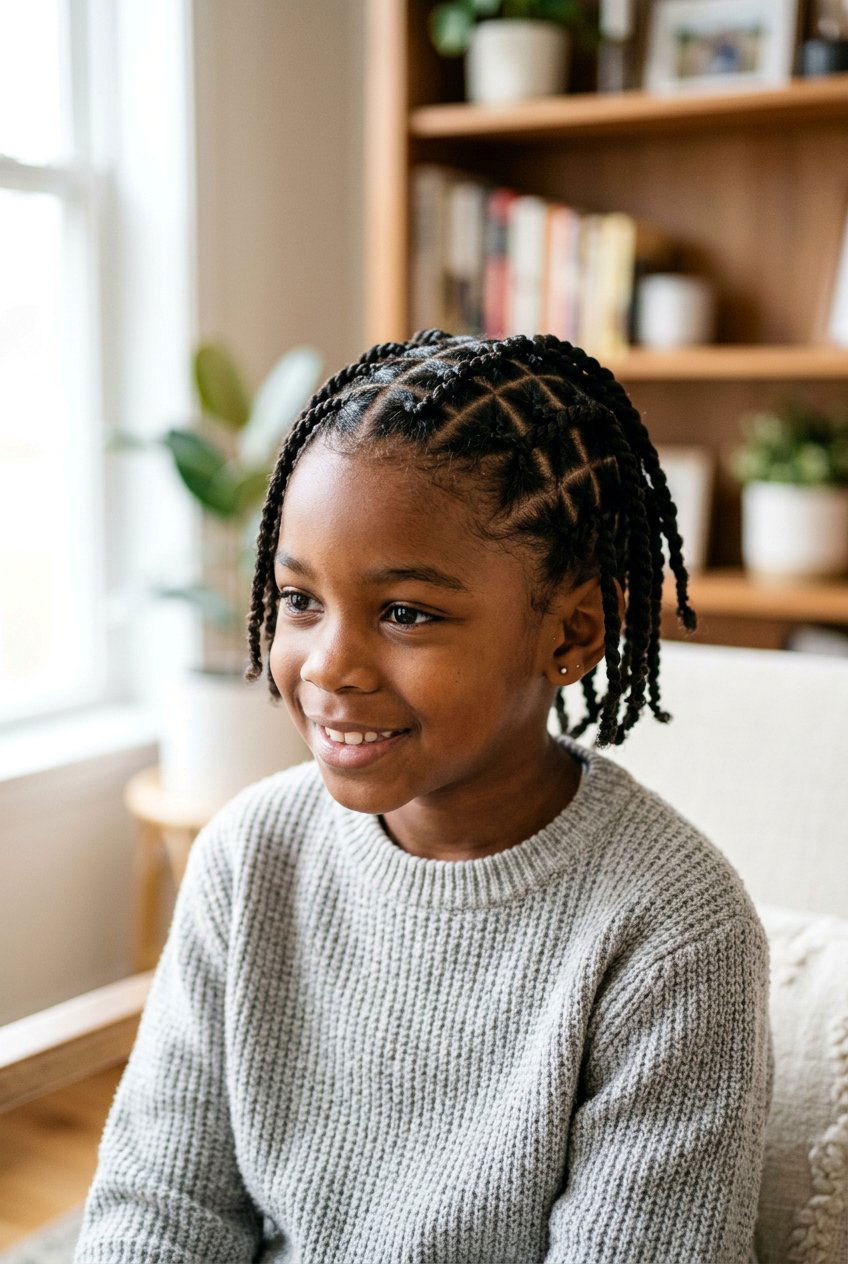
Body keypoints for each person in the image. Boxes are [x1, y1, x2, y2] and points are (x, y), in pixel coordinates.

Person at [73, 331, 773, 1263]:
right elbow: (160, 1204)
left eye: (406, 613)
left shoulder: (673, 934)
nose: (327, 667)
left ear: (571, 632)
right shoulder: (249, 857)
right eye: (298, 600)